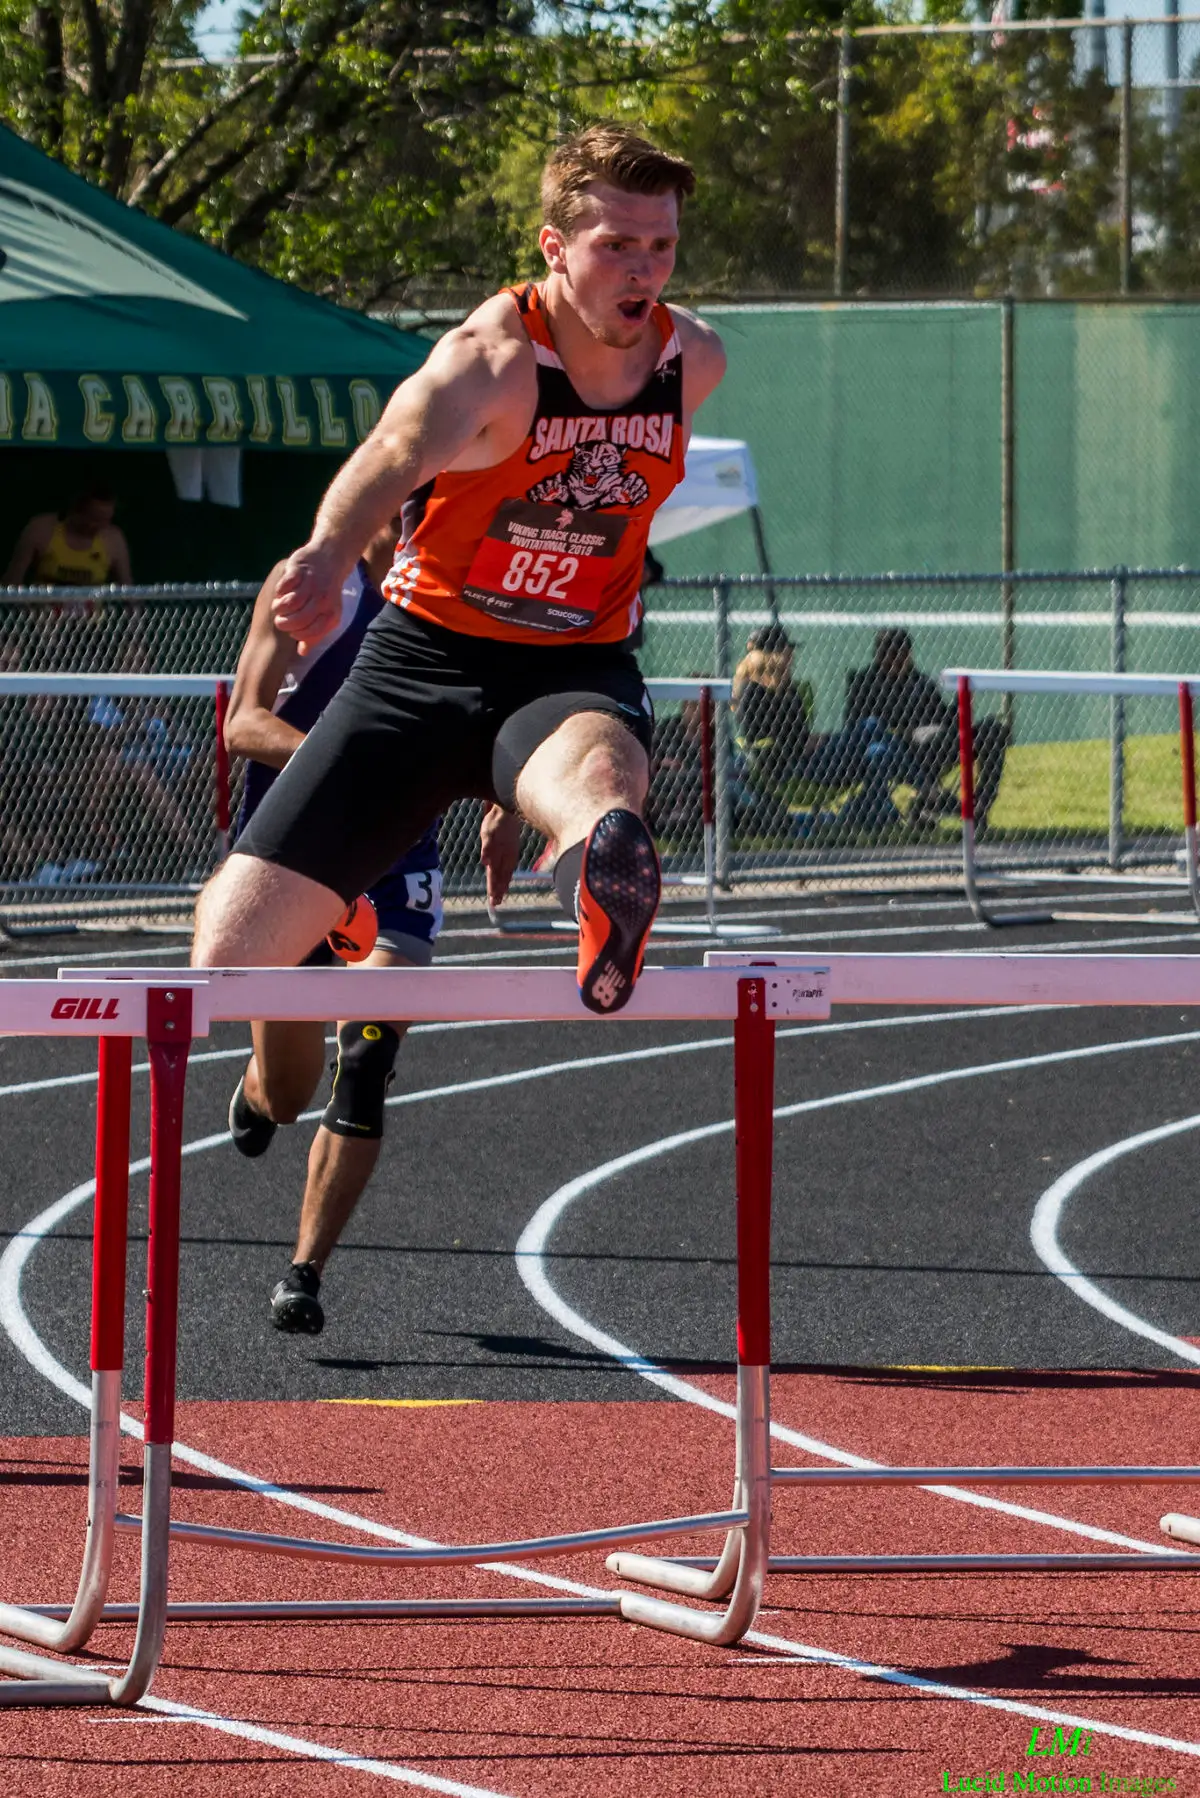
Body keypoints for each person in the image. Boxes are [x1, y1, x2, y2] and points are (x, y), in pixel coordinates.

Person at [190, 124, 726, 1018]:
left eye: (661, 246)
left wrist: (520, 798)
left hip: (570, 664)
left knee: (600, 790)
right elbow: (389, 454)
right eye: (616, 246)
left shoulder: (691, 364)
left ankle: (600, 870)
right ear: (555, 249)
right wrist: (324, 556)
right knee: (226, 962)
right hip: (422, 665)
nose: (643, 271)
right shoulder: (493, 360)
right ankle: (335, 917)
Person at [225, 517, 522, 1332]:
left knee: (367, 1056)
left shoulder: (466, 599)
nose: (402, 526)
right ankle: (257, 1092)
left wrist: (509, 803)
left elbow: (497, 722)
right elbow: (242, 723)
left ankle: (303, 1272)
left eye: (420, 508)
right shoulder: (309, 588)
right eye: (389, 509)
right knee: (288, 1092)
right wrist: (342, 756)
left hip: (398, 862)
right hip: (296, 858)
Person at [733, 622, 903, 832]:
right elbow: (785, 744)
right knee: (871, 726)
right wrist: (817, 741)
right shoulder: (754, 694)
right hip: (798, 771)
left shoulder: (787, 690)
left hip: (812, 758)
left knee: (879, 752)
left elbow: (798, 736)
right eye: (788, 652)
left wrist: (820, 740)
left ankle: (857, 816)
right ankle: (922, 787)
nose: (792, 657)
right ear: (773, 657)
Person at [845, 627, 1010, 829]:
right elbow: (857, 728)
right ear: (880, 655)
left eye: (904, 653)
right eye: (892, 653)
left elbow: (945, 719)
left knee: (994, 729)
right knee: (930, 737)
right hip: (902, 751)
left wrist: (962, 703)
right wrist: (902, 732)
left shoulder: (920, 682)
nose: (899, 660)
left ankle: (980, 804)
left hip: (941, 742)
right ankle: (932, 804)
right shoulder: (866, 684)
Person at [4, 487, 132, 591]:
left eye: (106, 521)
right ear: (76, 511)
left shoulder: (113, 539)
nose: (100, 527)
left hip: (90, 620)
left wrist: (136, 618)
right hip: (43, 619)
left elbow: (128, 589)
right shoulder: (41, 529)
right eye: (95, 520)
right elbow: (12, 581)